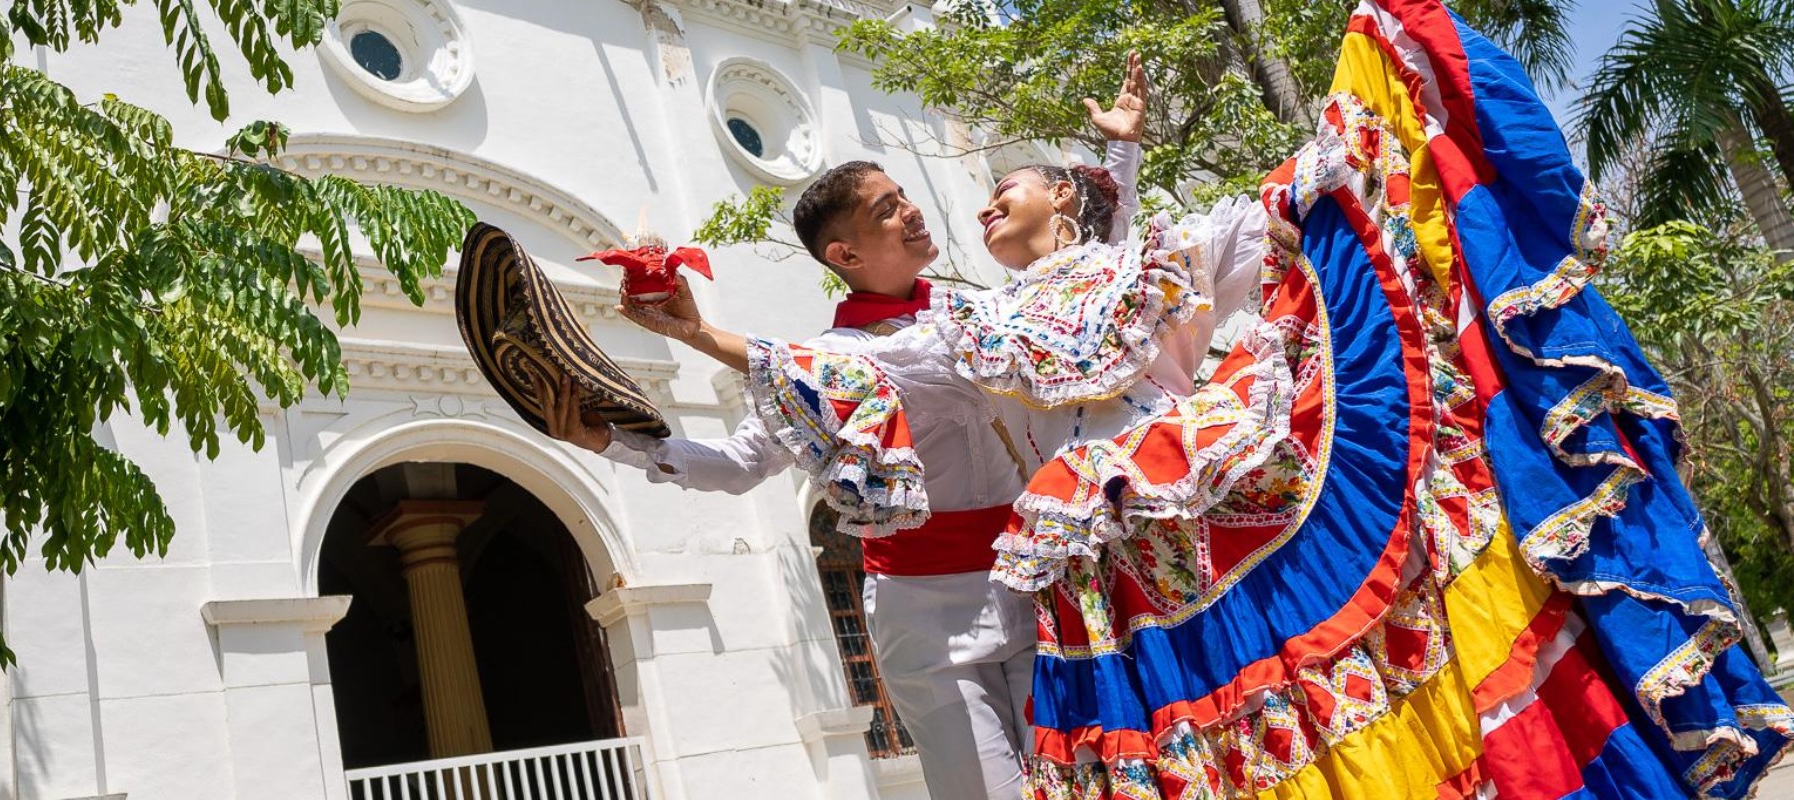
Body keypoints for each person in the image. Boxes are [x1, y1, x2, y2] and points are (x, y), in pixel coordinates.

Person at [593, 3, 1794, 795]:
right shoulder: (958, 328)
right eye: (897, 212)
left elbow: (1217, 235)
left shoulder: (1071, 280)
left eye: (969, 197)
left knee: (1278, 702)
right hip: (1064, 574)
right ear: (846, 254)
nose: (940, 210)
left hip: (1153, 529)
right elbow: (854, 376)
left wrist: (1360, 105)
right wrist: (675, 363)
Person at [539, 53, 1154, 800]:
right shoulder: (827, 364)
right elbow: (737, 463)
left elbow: (1089, 280)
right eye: (888, 208)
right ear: (846, 255)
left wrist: (1123, 147)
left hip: (1033, 588)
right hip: (928, 622)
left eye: (904, 195)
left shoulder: (975, 315)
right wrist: (612, 443)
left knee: (1091, 782)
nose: (913, 210)